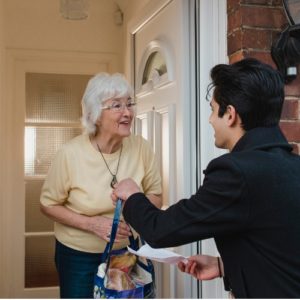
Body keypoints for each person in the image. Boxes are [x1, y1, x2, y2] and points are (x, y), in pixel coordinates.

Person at [112, 58, 300, 298]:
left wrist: (133, 195)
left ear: (230, 114)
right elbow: (279, 249)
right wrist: (223, 266)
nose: (211, 120)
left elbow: (160, 231)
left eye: (213, 109)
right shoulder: (294, 164)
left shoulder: (235, 173)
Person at [40, 72, 162, 298]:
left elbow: (155, 194)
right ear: (95, 115)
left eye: (129, 104)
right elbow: (47, 204)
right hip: (78, 255)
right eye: (117, 105)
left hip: (124, 252)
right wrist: (92, 224)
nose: (127, 112)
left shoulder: (142, 148)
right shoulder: (70, 154)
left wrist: (131, 213)